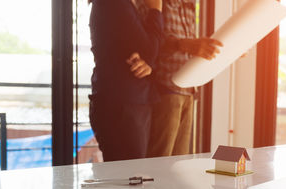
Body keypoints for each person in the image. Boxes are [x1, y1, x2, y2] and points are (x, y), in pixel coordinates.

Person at [136, 0, 223, 157]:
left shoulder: (188, 4)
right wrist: (183, 45)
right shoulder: (152, 2)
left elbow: (193, 46)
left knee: (179, 163)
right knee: (159, 163)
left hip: (188, 89)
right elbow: (148, 42)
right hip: (164, 89)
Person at [88, 0, 163, 161]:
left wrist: (149, 64)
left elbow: (144, 52)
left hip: (120, 102)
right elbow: (149, 49)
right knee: (129, 178)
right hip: (123, 106)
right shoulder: (115, 4)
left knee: (126, 176)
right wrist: (156, 9)